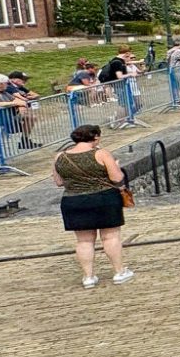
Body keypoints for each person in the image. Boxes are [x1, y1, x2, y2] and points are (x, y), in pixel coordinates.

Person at [53, 123, 132, 287]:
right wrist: (116, 166)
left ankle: (88, 277)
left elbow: (59, 182)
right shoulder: (101, 154)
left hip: (73, 200)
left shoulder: (60, 156)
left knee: (84, 241)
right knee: (110, 236)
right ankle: (119, 272)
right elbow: (117, 178)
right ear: (95, 137)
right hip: (103, 198)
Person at [0, 73, 30, 150]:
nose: (8, 85)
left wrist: (20, 106)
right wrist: (16, 103)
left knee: (4, 145)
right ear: (0, 84)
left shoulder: (4, 93)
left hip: (2, 122)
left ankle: (2, 162)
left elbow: (16, 99)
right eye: (6, 83)